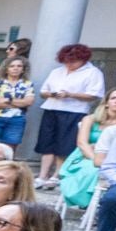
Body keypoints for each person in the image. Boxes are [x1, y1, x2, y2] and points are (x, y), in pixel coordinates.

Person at [35, 44, 106, 188]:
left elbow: (94, 95)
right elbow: (43, 91)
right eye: (66, 61)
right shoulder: (57, 71)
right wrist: (52, 94)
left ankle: (56, 176)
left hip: (74, 111)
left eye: (73, 62)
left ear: (82, 59)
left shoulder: (92, 72)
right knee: (46, 143)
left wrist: (70, 94)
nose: (69, 65)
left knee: (64, 144)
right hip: (52, 107)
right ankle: (42, 175)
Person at [0, 55, 34, 146]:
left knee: (10, 147)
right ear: (6, 69)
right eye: (12, 66)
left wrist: (6, 100)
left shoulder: (28, 84)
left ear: (23, 69)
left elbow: (29, 102)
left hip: (16, 119)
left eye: (19, 66)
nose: (15, 68)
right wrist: (19, 103)